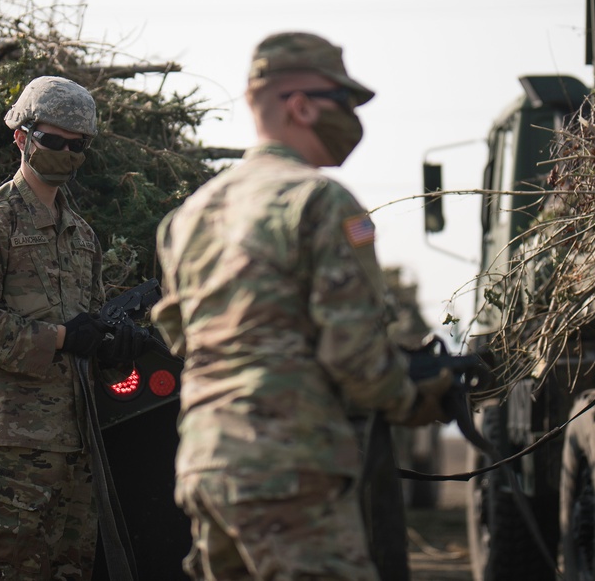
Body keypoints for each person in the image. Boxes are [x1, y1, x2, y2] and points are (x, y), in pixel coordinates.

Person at [151, 32, 455, 581]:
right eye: (345, 102)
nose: (353, 118)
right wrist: (417, 399)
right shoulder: (320, 201)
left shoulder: (189, 216)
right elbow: (354, 354)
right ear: (301, 105)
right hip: (290, 465)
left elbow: (182, 337)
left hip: (206, 462)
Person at [0, 75, 146, 580]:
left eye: (79, 146)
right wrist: (57, 338)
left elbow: (88, 323)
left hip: (75, 441)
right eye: (54, 141)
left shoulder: (81, 234)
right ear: (22, 138)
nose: (67, 153)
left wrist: (113, 345)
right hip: (7, 437)